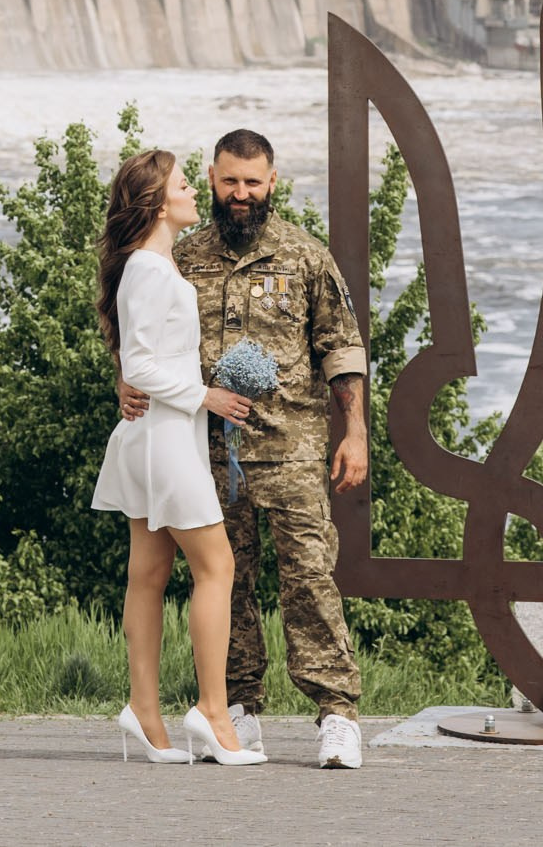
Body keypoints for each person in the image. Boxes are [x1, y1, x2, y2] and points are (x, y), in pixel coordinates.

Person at [118, 129, 370, 769]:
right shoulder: (182, 254)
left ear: (272, 182)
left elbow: (341, 347)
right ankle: (236, 709)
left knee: (310, 581)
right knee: (227, 586)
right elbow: (140, 329)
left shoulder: (305, 255)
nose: (240, 193)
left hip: (291, 448)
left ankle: (337, 715)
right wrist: (124, 378)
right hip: (205, 449)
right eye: (229, 181)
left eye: (252, 183)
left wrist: (356, 432)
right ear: (211, 177)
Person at [90, 148, 267, 767]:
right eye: (185, 185)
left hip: (159, 435)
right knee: (217, 566)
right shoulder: (148, 268)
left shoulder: (157, 264)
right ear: (159, 204)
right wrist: (206, 395)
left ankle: (145, 714)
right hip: (163, 440)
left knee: (148, 574)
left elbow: (142, 360)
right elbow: (140, 364)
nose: (196, 192)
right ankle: (212, 712)